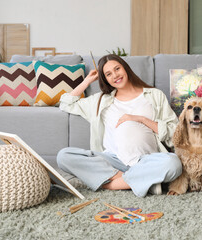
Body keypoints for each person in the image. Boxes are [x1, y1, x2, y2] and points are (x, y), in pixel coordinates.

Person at [57, 54, 182, 197]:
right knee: (63, 156)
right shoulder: (100, 100)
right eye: (108, 74)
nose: (115, 75)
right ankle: (142, 181)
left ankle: (112, 183)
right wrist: (87, 81)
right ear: (105, 79)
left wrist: (141, 119)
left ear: (125, 68)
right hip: (112, 161)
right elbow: (65, 103)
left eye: (117, 69)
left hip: (146, 161)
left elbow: (175, 134)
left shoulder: (154, 95)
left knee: (173, 163)